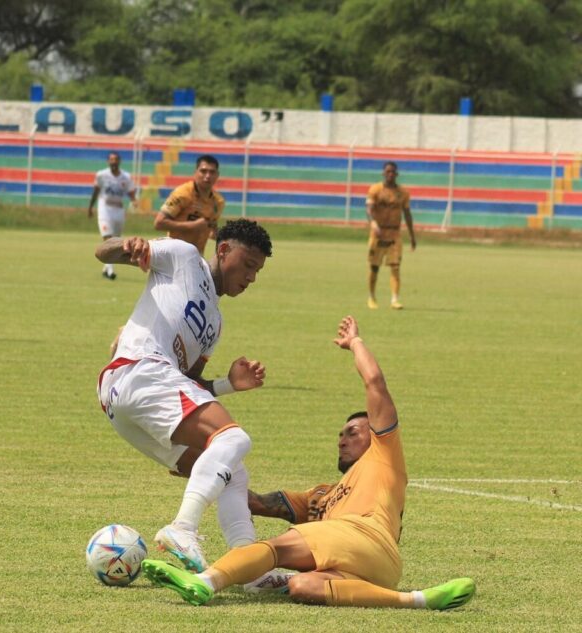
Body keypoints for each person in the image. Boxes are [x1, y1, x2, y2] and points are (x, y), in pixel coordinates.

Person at [141, 315, 476, 611]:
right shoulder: (322, 496)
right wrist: (207, 468)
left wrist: (355, 342)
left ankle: (206, 581)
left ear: (373, 435)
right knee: (303, 585)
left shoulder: (383, 454)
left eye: (353, 432)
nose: (343, 438)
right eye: (340, 434)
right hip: (382, 569)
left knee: (276, 548)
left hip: (361, 536)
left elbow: (375, 384)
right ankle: (418, 599)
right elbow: (254, 501)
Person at [95, 219, 273, 575]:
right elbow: (103, 251)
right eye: (249, 264)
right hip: (139, 369)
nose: (252, 277)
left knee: (231, 472)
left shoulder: (215, 324)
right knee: (233, 438)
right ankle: (183, 528)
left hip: (127, 399)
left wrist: (227, 384)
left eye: (258, 270)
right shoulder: (184, 257)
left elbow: (186, 384)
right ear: (223, 250)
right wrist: (129, 245)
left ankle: (250, 568)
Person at [365, 161, 417, 310]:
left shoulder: (403, 193)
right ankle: (372, 297)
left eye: (393, 172)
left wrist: (412, 236)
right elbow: (368, 209)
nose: (390, 174)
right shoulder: (375, 189)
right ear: (383, 173)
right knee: (374, 267)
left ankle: (395, 299)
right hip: (378, 234)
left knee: (395, 267)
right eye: (388, 171)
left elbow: (407, 214)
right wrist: (373, 223)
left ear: (397, 174)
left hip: (394, 233)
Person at [154, 154, 225, 256]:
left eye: (212, 172)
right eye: (203, 171)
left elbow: (211, 231)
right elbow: (159, 223)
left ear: (217, 175)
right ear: (195, 173)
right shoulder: (182, 193)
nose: (208, 176)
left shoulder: (218, 202)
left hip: (197, 256)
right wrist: (192, 226)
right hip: (173, 253)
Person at [87, 151, 137, 280]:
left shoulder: (126, 177)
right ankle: (110, 271)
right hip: (104, 207)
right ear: (108, 162)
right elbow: (96, 191)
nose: (113, 162)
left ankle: (105, 268)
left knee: (115, 240)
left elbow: (130, 191)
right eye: (111, 159)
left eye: (116, 159)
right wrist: (90, 207)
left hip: (118, 209)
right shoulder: (101, 175)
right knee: (107, 238)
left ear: (119, 161)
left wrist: (134, 201)